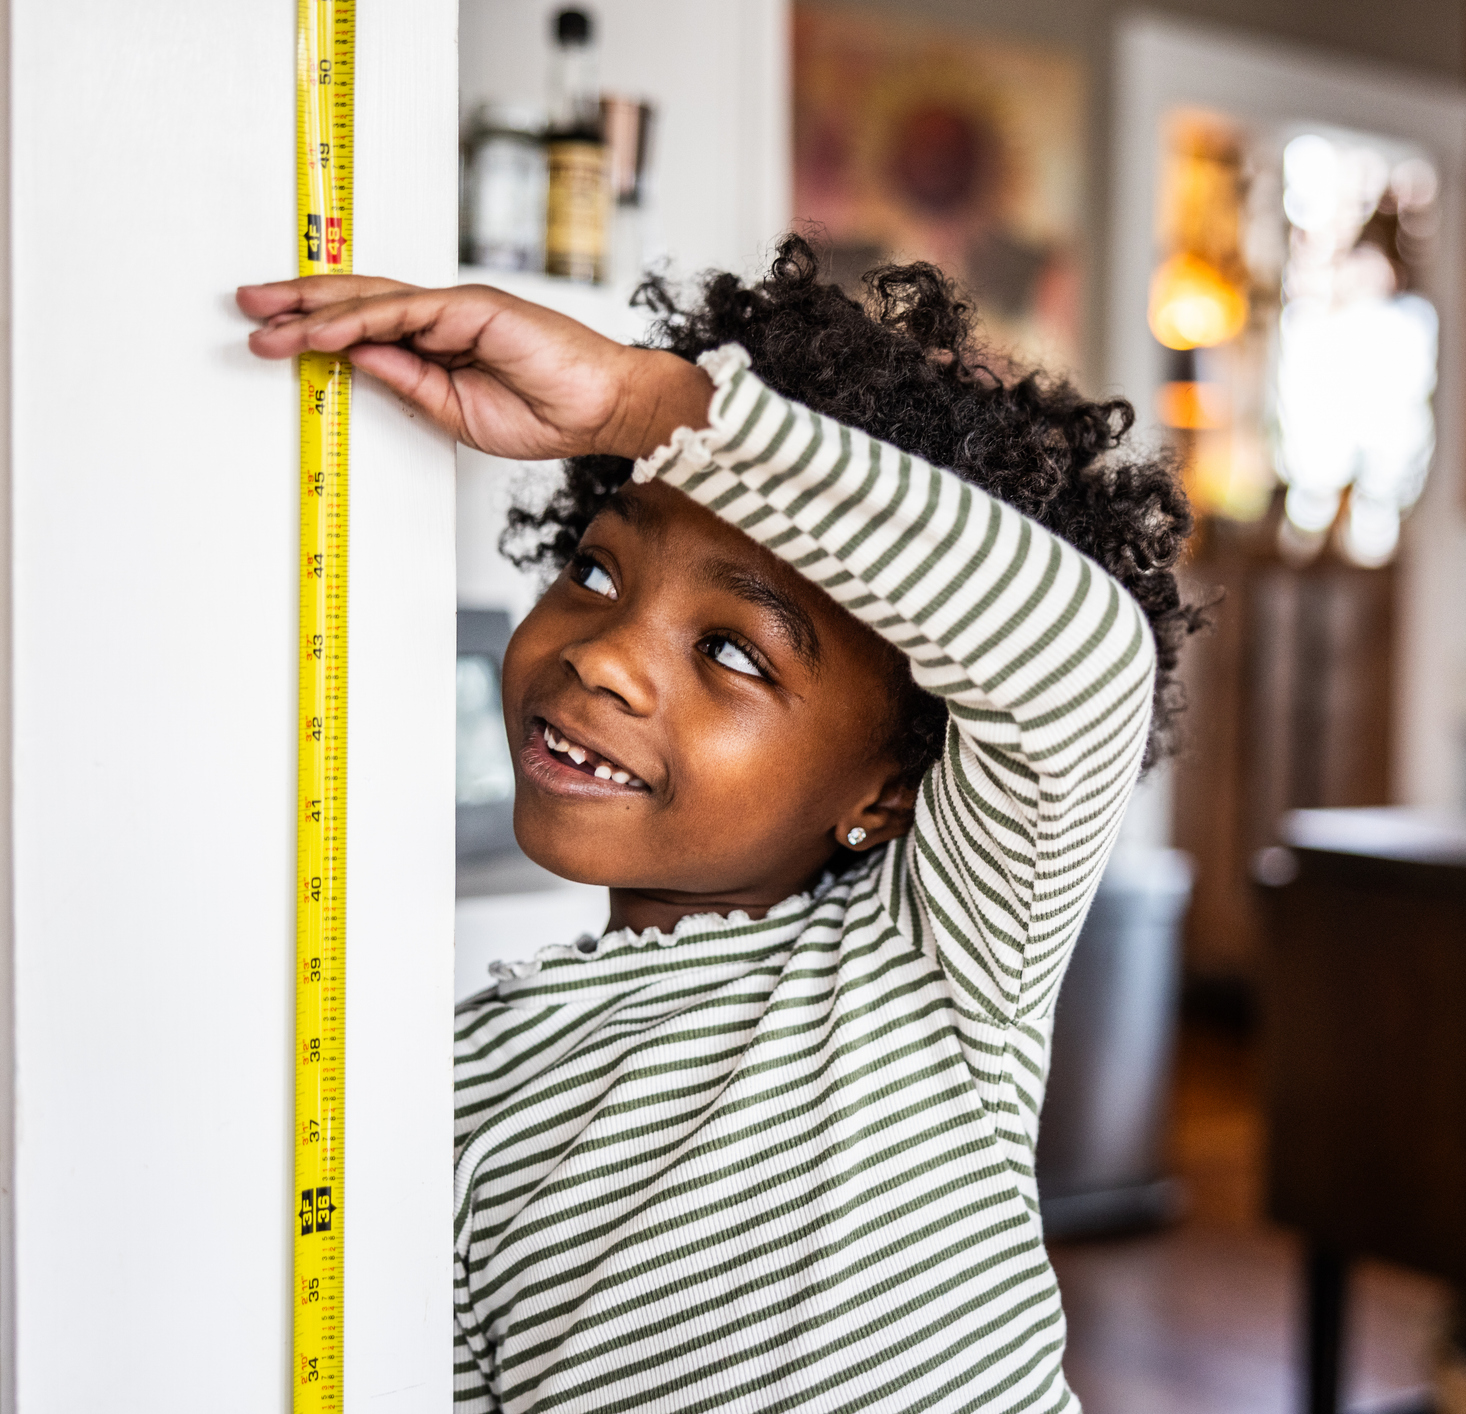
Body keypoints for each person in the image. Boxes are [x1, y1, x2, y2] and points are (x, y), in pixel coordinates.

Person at [239, 236, 1202, 1413]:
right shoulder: (451, 1090)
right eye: (595, 575)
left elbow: (1078, 658)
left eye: (732, 650)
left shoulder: (933, 968)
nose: (602, 656)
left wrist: (648, 405)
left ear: (888, 789)